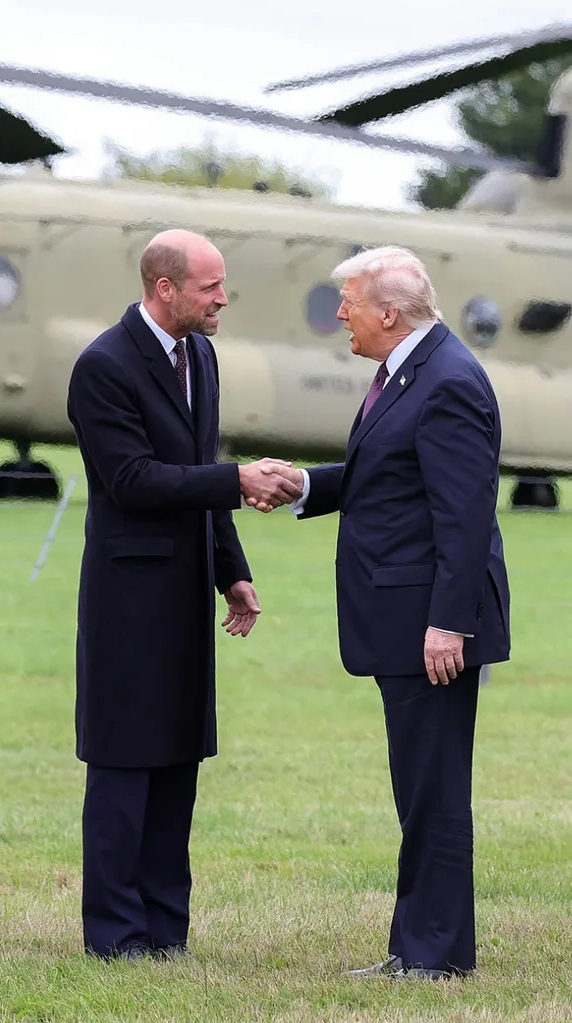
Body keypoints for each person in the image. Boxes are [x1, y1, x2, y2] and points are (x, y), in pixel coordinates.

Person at [253, 246, 510, 980]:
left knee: (433, 788)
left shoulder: (448, 381)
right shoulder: (409, 372)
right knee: (418, 787)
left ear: (388, 314)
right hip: (403, 617)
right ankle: (417, 945)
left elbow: (462, 515)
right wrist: (305, 483)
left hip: (429, 623)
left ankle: (434, 956)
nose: (341, 315)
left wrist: (448, 623)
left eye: (350, 304)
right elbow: (388, 478)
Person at [66, 228, 300, 961]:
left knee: (176, 762)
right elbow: (131, 479)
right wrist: (235, 478)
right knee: (124, 763)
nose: (222, 298)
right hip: (127, 599)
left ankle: (166, 929)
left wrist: (230, 568)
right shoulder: (103, 366)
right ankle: (115, 934)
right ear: (165, 288)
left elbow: (197, 466)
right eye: (210, 287)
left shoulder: (200, 353)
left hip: (184, 598)